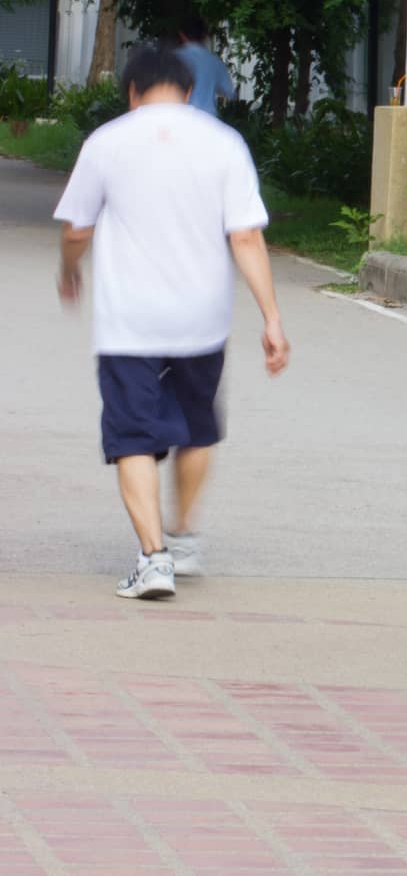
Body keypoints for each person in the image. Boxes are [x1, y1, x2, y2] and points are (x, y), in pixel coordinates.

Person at [53, 43, 290, 599]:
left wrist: (69, 270)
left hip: (128, 320)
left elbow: (77, 231)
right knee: (196, 427)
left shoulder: (106, 142)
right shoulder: (224, 143)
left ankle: (153, 559)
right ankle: (182, 540)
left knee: (131, 434)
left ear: (132, 92)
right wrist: (272, 317)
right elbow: (247, 235)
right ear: (187, 92)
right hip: (200, 319)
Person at [175, 15, 237, 117]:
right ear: (205, 36)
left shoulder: (174, 58)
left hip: (180, 117)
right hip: (208, 118)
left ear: (182, 34)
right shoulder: (215, 62)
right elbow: (229, 92)